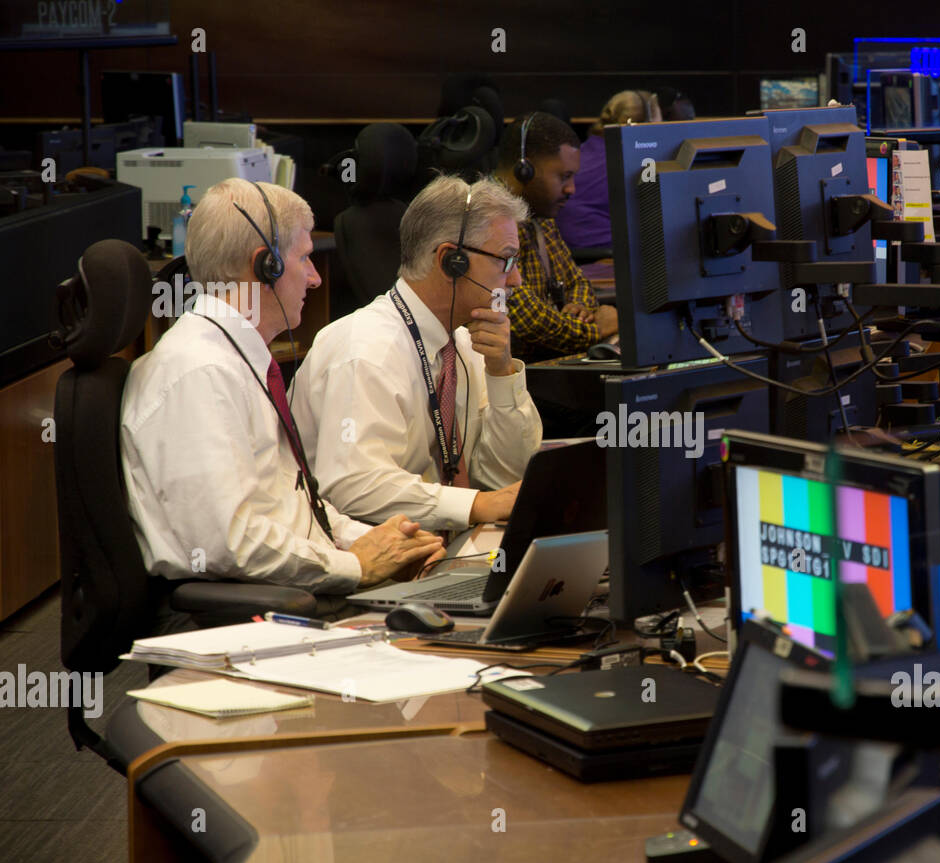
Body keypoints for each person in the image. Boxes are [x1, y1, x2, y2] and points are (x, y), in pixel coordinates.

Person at [121, 178, 445, 594]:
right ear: (265, 265)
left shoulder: (236, 359)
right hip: (237, 616)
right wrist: (352, 565)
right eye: (305, 259)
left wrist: (371, 540)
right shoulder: (199, 375)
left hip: (288, 587)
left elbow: (287, 505)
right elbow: (228, 542)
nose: (315, 279)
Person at [291, 176, 542, 532]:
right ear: (450, 261)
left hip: (441, 547)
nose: (516, 279)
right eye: (505, 260)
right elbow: (354, 485)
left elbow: (509, 476)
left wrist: (501, 374)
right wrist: (477, 504)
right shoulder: (365, 349)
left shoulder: (466, 345)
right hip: (367, 561)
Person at [493, 111, 618, 362]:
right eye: (564, 177)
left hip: (553, 360)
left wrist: (581, 309)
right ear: (524, 169)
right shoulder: (489, 223)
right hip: (519, 374)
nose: (571, 189)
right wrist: (595, 329)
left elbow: (577, 282)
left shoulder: (540, 217)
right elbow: (526, 319)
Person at [555, 90, 661, 250]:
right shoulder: (635, 164)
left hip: (569, 254)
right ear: (643, 128)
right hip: (607, 258)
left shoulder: (580, 152)